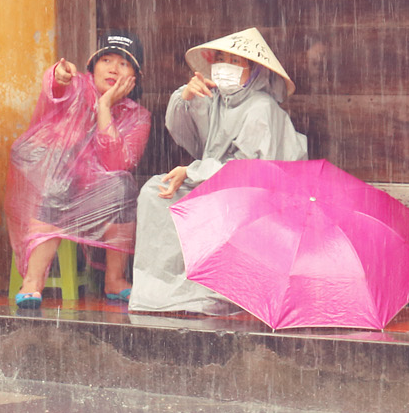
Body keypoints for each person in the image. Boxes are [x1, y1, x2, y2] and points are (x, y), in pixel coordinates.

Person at [129, 27, 308, 315]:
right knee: (155, 193)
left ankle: (214, 290)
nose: (226, 66)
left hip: (256, 196)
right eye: (222, 59)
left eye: (236, 61)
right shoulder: (218, 101)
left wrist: (192, 173)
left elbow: (251, 172)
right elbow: (188, 136)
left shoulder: (261, 108)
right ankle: (163, 290)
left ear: (254, 70)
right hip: (214, 180)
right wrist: (186, 98)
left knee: (215, 207)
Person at [4, 30, 152, 307]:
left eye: (123, 63)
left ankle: (114, 279)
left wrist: (104, 106)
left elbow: (116, 164)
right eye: (106, 60)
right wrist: (57, 75)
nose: (113, 69)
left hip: (97, 197)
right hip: (50, 185)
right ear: (92, 66)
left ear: (135, 76)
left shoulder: (139, 117)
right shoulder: (77, 87)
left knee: (123, 185)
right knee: (59, 179)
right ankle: (33, 282)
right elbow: (55, 88)